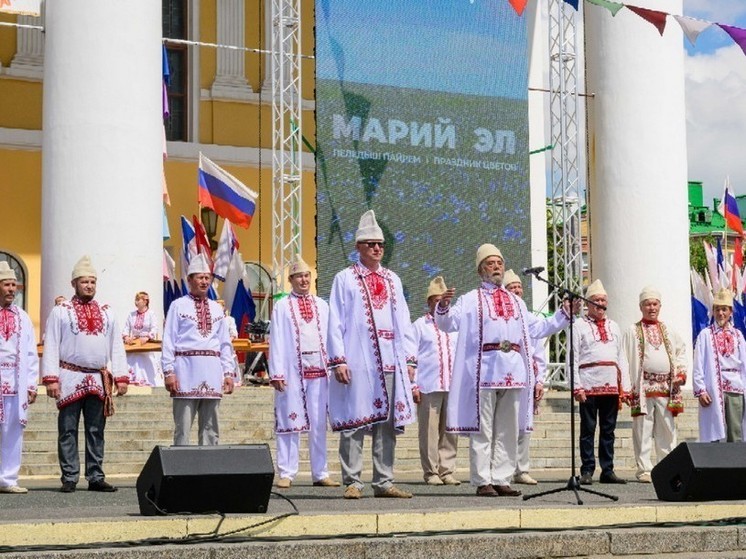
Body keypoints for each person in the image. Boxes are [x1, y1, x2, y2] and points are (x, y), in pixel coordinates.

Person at [436, 245, 579, 497]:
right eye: (490, 264)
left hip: (513, 369)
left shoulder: (516, 301)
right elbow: (448, 323)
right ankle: (482, 480)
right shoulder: (470, 299)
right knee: (483, 428)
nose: (496, 268)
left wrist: (563, 314)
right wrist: (444, 307)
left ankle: (502, 477)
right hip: (484, 371)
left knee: (508, 427)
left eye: (499, 263)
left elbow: (539, 328)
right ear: (481, 269)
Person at [327, 210, 419, 499]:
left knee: (386, 424)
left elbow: (403, 320)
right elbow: (336, 321)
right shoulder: (345, 279)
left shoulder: (393, 279)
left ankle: (384, 480)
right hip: (358, 359)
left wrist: (409, 358)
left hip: (390, 361)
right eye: (370, 244)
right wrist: (338, 359)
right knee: (355, 420)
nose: (377, 248)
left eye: (380, 244)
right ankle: (353, 480)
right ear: (358, 247)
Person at [41, 256, 129, 493]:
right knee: (67, 429)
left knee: (95, 430)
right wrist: (51, 378)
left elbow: (116, 345)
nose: (89, 286)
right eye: (84, 282)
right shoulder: (61, 312)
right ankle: (69, 476)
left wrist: (121, 376)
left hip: (98, 379)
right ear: (74, 284)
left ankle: (95, 476)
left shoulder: (107, 312)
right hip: (70, 377)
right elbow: (51, 344)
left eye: (92, 282)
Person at [269, 254, 340, 489]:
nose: (304, 280)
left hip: (319, 373)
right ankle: (287, 472)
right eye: (299, 276)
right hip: (292, 373)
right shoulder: (282, 306)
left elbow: (332, 337)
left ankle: (320, 472)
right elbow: (277, 340)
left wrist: (335, 363)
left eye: (307, 275)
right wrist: (277, 372)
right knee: (290, 422)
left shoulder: (322, 305)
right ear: (290, 279)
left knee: (318, 424)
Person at [161, 254, 235, 445]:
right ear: (189, 280)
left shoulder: (217, 309)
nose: (204, 281)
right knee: (183, 429)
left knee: (211, 429)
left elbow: (225, 344)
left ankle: (208, 471)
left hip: (212, 372)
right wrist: (169, 372)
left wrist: (228, 373)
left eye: (207, 277)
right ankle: (181, 472)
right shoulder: (177, 306)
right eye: (199, 277)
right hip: (185, 372)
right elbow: (168, 341)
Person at [623, 286, 687, 483]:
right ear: (641, 307)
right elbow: (624, 359)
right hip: (643, 387)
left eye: (654, 304)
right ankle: (644, 469)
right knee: (643, 428)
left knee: (667, 428)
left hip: (666, 388)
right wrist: (626, 387)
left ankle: (667, 467)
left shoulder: (669, 330)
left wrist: (681, 372)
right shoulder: (632, 331)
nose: (651, 308)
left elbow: (681, 352)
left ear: (660, 306)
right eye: (647, 304)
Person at [570, 279, 630, 485]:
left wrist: (626, 387)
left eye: (603, 300)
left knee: (608, 430)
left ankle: (608, 469)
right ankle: (587, 469)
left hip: (611, 385)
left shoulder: (614, 326)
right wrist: (576, 386)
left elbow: (621, 357)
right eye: (596, 301)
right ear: (588, 303)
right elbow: (573, 358)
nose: (600, 304)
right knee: (588, 429)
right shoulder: (578, 326)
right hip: (588, 384)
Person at [412, 276, 460, 486]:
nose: (440, 303)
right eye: (436, 300)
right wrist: (413, 385)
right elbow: (410, 357)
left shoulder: (454, 326)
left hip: (453, 384)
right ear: (429, 302)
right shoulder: (419, 326)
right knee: (429, 431)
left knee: (451, 430)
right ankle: (431, 472)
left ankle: (447, 470)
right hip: (428, 385)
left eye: (443, 299)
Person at [502, 269, 545, 486]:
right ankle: (504, 470)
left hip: (527, 380)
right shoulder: (502, 318)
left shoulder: (531, 318)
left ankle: (521, 469)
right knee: (507, 426)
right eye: (512, 288)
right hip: (507, 378)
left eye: (519, 287)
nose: (517, 291)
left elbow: (540, 353)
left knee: (525, 426)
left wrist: (540, 380)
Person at [0, 261, 39, 494]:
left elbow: (30, 352)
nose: (12, 289)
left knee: (13, 431)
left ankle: (8, 479)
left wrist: (32, 384)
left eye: (14, 284)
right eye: (7, 284)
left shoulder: (23, 317)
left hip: (16, 382)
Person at [692, 288, 746, 442]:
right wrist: (700, 389)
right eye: (717, 309)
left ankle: (736, 464)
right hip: (713, 387)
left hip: (736, 386)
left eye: (724, 309)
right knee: (713, 432)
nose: (720, 313)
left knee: (735, 432)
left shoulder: (738, 335)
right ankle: (714, 465)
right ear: (713, 311)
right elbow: (698, 365)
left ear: (730, 312)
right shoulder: (705, 335)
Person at [122, 291, 163, 387]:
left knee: (145, 362)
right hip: (134, 345)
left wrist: (148, 336)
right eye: (135, 300)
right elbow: (126, 328)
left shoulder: (151, 314)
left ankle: (147, 383)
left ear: (145, 301)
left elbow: (154, 328)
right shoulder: (131, 314)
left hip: (146, 345)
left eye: (138, 300)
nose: (136, 302)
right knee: (132, 361)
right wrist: (127, 337)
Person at [216, 299, 242, 387]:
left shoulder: (229, 319)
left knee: (229, 363)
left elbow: (233, 333)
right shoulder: (213, 320)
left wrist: (225, 342)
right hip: (215, 347)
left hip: (227, 347)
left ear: (224, 308)